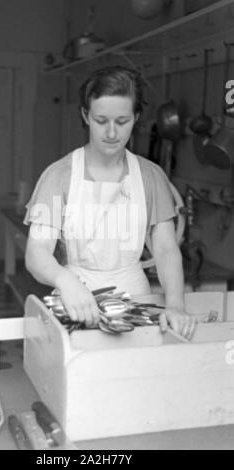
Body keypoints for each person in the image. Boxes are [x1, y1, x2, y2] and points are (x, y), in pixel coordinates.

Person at [24, 65, 196, 340]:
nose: (112, 132)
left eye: (122, 121)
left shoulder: (150, 177)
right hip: (75, 300)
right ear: (85, 115)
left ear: (136, 118)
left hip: (136, 300)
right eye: (101, 120)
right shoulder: (58, 176)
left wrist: (175, 305)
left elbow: (165, 249)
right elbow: (37, 253)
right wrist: (66, 281)